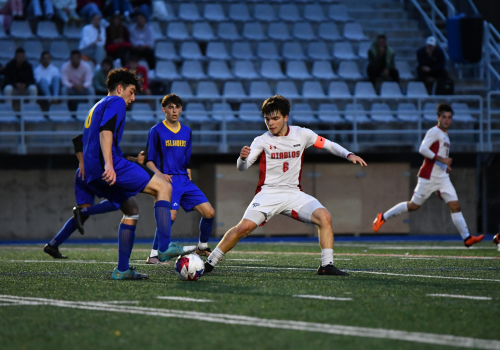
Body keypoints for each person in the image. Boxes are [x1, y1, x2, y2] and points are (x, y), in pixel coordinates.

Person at [204, 95, 367, 276]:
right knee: (243, 228)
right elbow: (243, 167)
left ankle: (326, 265)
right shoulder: (261, 140)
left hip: (293, 194)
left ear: (286, 117)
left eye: (275, 118)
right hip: (268, 194)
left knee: (325, 217)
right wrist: (242, 158)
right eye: (267, 119)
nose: (271, 123)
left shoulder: (302, 134)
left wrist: (348, 155)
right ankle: (210, 262)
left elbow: (328, 145)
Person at [82, 68, 194, 280]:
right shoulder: (115, 102)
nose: (132, 98)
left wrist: (130, 161)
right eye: (131, 92)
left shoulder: (96, 105)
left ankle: (122, 270)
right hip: (107, 164)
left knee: (131, 209)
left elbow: (92, 139)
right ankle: (163, 247)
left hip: (93, 172)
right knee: (164, 186)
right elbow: (105, 132)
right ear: (120, 88)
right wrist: (109, 164)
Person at [373, 103, 484, 247]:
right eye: (444, 117)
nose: (446, 120)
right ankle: (383, 217)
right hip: (429, 176)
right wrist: (442, 159)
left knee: (455, 205)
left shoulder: (445, 135)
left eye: (449, 117)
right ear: (438, 117)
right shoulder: (434, 131)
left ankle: (467, 238)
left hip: (442, 178)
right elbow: (423, 149)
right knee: (414, 206)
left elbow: (439, 156)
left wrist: (445, 166)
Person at [145, 94, 215, 264]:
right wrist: (159, 175)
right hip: (169, 181)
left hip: (184, 179)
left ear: (181, 109)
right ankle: (154, 254)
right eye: (170, 107)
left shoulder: (187, 131)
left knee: (209, 212)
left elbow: (187, 158)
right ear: (164, 110)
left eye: (177, 107)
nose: (174, 110)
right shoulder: (156, 131)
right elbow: (148, 160)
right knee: (169, 217)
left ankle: (202, 246)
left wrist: (188, 173)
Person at [43, 134, 119, 259]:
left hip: (83, 173)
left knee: (82, 217)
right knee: (119, 201)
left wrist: (82, 163)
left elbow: (77, 140)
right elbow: (77, 140)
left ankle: (52, 245)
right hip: (93, 174)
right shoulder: (104, 130)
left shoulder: (98, 130)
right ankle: (82, 211)